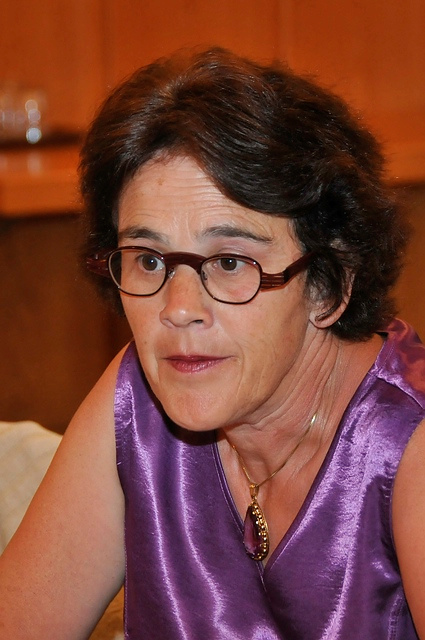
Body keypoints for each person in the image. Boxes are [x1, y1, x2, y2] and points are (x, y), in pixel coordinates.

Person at [0, 47, 424, 640]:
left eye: (228, 262)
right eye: (149, 260)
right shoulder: (137, 402)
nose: (177, 309)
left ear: (329, 284)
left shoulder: (407, 446)